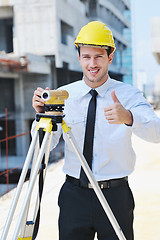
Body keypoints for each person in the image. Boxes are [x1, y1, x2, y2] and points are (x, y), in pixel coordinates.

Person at [32, 21, 160, 240]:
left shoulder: (129, 95)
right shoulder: (63, 95)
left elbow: (157, 132)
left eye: (98, 56)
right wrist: (43, 117)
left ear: (110, 57)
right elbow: (42, 148)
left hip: (115, 195)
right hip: (74, 196)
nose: (92, 63)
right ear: (79, 58)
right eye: (86, 56)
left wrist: (129, 117)